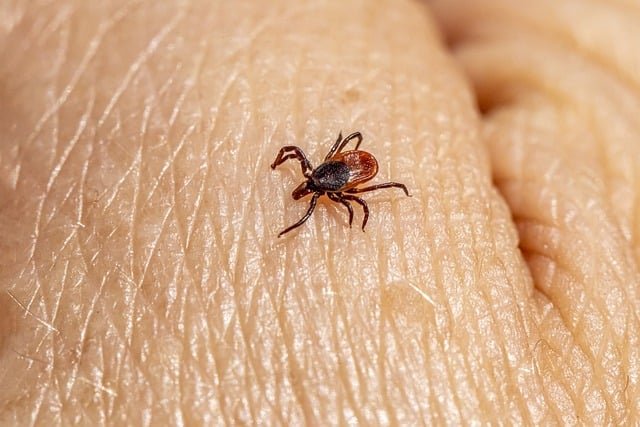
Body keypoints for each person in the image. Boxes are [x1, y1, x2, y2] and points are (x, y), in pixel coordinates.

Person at [1, 0, 638, 423]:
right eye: (310, 180)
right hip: (357, 160)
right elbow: (326, 160)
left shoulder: (339, 191)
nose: (310, 186)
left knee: (366, 191)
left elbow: (355, 196)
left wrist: (350, 196)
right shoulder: (324, 176)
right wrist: (307, 176)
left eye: (312, 185)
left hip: (364, 168)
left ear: (330, 183)